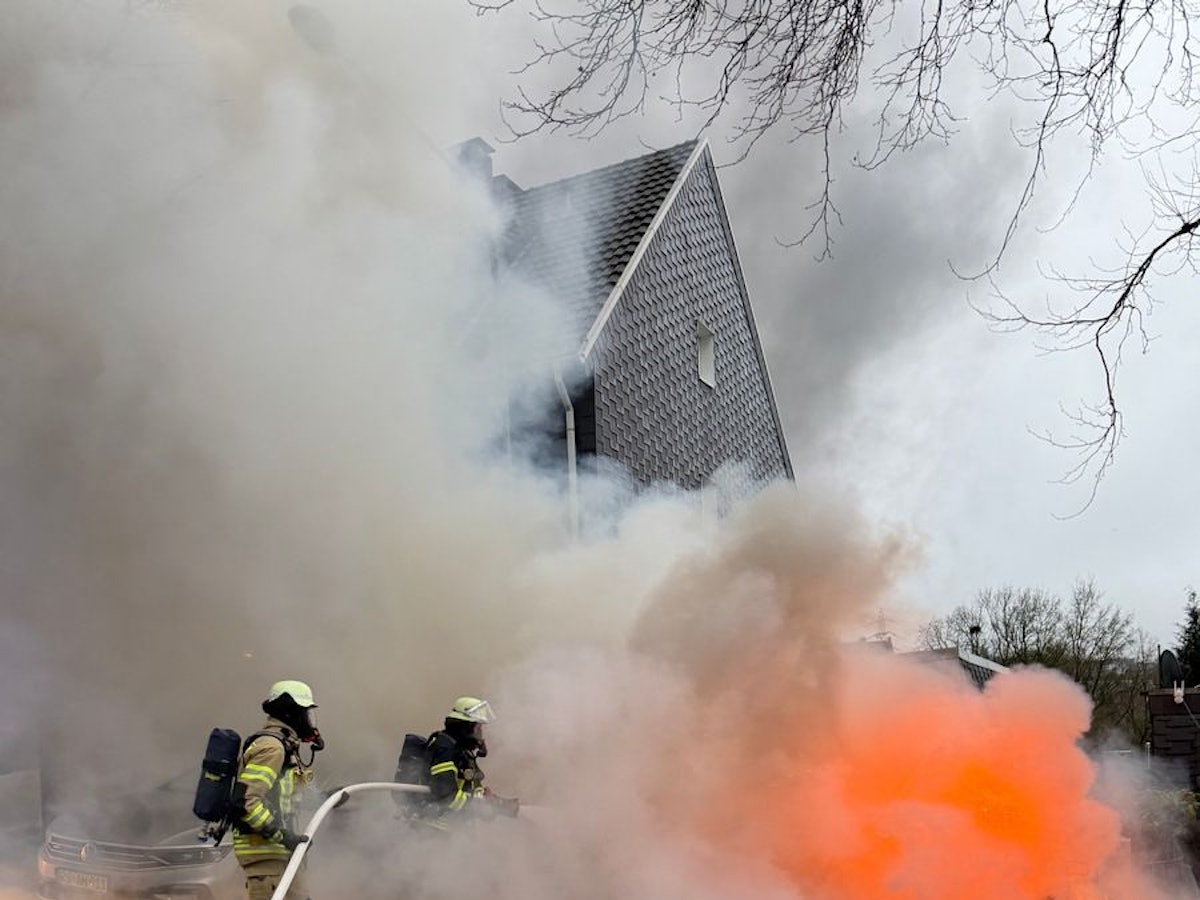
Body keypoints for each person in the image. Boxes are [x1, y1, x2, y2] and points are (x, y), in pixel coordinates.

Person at [232, 680, 324, 900]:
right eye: (305, 714)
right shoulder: (272, 748)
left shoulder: (283, 746)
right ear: (290, 713)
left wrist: (327, 799)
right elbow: (247, 802)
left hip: (280, 857)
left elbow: (285, 796)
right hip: (266, 860)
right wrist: (281, 835)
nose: (309, 721)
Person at [413, 696, 519, 830]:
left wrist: (490, 800)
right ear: (466, 727)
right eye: (478, 728)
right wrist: (482, 805)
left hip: (451, 830)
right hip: (434, 830)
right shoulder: (445, 750)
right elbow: (446, 796)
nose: (480, 733)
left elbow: (470, 786)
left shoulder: (461, 750)